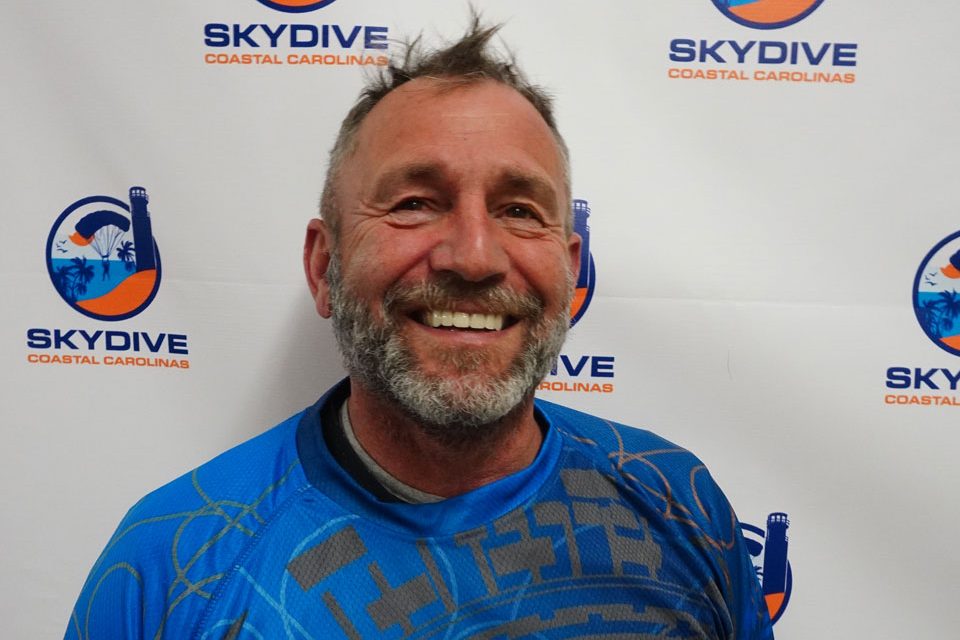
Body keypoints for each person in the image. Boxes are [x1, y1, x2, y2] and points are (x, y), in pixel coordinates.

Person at [67, 18, 774, 640]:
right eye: (414, 203)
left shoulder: (677, 504)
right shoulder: (174, 564)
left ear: (569, 271)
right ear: (324, 265)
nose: (473, 256)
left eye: (520, 210)